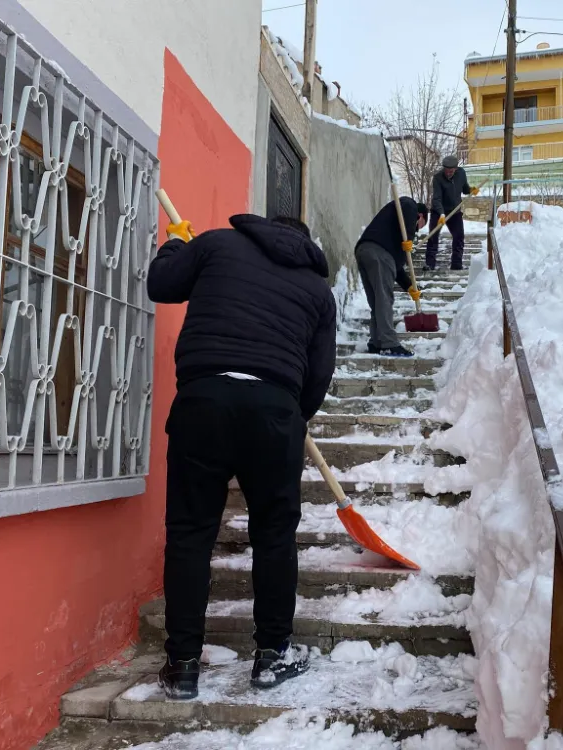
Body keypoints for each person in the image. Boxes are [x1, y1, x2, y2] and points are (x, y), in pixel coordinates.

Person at [146, 212, 336, 699]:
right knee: (274, 535)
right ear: (304, 242)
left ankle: (183, 664)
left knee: (190, 533)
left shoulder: (215, 245)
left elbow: (162, 284)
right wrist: (290, 418)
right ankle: (272, 655)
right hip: (274, 410)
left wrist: (174, 246)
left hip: (202, 401)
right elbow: (318, 376)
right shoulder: (317, 291)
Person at [355, 197, 428, 357]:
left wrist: (409, 286)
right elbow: (409, 209)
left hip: (365, 250)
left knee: (377, 301)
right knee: (384, 299)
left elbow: (396, 266)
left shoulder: (393, 230)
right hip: (379, 252)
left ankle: (377, 342)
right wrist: (409, 237)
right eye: (419, 227)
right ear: (420, 216)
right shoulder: (409, 205)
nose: (417, 230)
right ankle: (389, 343)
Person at [425, 155, 478, 271]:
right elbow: (436, 199)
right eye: (446, 170)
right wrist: (441, 214)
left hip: (455, 212)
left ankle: (456, 264)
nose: (448, 172)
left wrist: (471, 190)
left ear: (456, 169)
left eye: (451, 170)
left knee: (459, 237)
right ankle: (429, 264)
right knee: (433, 236)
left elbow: (464, 189)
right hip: (438, 212)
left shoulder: (461, 174)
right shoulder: (438, 178)